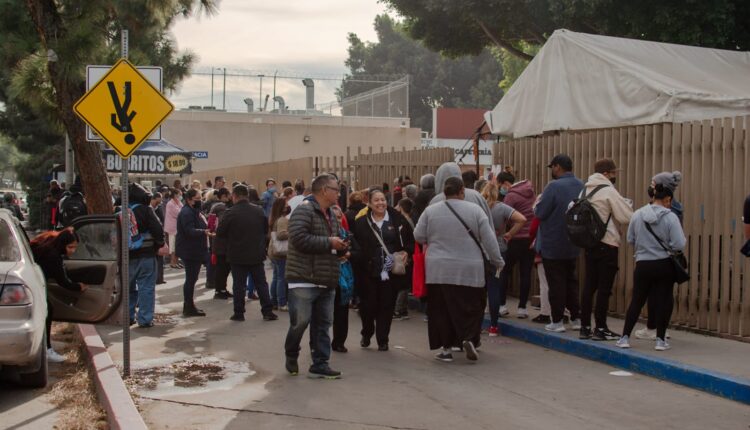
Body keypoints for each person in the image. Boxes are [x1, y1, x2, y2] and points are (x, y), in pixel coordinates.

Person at [414, 177, 504, 362]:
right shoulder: (476, 210)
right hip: (469, 269)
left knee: (441, 310)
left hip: (438, 270)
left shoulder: (431, 211)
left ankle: (446, 349)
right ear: (462, 190)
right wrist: (498, 261)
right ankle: (468, 338)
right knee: (470, 306)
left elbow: (419, 235)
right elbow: (489, 239)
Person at [284, 174, 347, 379]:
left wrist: (342, 249)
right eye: (336, 189)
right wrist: (329, 242)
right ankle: (292, 353)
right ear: (323, 191)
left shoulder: (332, 214)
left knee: (323, 325)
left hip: (326, 278)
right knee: (300, 322)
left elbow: (334, 240)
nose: (339, 193)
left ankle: (320, 363)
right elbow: (299, 239)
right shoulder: (304, 210)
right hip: (304, 277)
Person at [617, 177, 686, 351]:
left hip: (643, 264)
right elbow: (679, 243)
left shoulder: (638, 214)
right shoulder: (670, 217)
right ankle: (660, 340)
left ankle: (624, 337)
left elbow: (630, 239)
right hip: (664, 264)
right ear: (667, 199)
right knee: (664, 300)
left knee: (637, 300)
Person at [351, 189, 414, 351]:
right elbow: (356, 245)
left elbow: (409, 241)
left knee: (386, 306)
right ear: (369, 204)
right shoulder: (361, 222)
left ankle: (382, 339)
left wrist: (407, 251)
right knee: (367, 306)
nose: (381, 203)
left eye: (383, 200)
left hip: (390, 273)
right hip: (368, 272)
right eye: (377, 200)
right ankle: (367, 332)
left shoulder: (398, 221)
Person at [579, 159, 634, 341]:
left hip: (590, 244)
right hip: (607, 243)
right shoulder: (608, 190)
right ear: (606, 174)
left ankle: (585, 327)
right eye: (613, 173)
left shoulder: (584, 190)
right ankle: (601, 328)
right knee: (604, 288)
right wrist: (628, 205)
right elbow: (625, 216)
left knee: (589, 286)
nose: (615, 176)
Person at [534, 154, 584, 333]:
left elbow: (540, 212)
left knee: (556, 282)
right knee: (571, 280)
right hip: (574, 241)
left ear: (557, 167)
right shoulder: (581, 185)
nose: (552, 171)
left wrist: (536, 206)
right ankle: (577, 318)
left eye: (552, 167)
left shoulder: (553, 187)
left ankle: (557, 321)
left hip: (553, 242)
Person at [217, 184, 277, 321]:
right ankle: (267, 311)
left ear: (234, 196)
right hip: (256, 253)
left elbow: (220, 232)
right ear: (247, 195)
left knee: (239, 284)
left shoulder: (230, 212)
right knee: (261, 283)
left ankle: (239, 313)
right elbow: (264, 229)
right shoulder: (259, 211)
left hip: (237, 254)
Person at [636, 171, 683, 341]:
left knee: (653, 295)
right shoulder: (676, 208)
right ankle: (660, 329)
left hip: (655, 258)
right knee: (664, 294)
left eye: (653, 183)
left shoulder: (664, 210)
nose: (650, 186)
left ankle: (654, 327)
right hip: (669, 258)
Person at [30, 228, 89, 362]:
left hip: (33, 282)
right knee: (47, 311)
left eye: (75, 247)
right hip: (34, 284)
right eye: (70, 247)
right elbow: (63, 282)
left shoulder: (49, 242)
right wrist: (79, 286)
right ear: (62, 244)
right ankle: (46, 350)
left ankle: (44, 347)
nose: (72, 250)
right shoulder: (54, 256)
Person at [482, 182, 526, 336]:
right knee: (494, 287)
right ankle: (494, 326)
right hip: (499, 248)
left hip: (480, 250)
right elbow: (522, 219)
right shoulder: (502, 208)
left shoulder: (478, 207)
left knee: (478, 289)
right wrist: (509, 234)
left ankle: (477, 323)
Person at [497, 172, 536, 318]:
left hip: (515, 238)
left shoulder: (511, 196)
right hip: (530, 239)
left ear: (505, 183)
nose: (501, 188)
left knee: (504, 271)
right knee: (525, 273)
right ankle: (522, 308)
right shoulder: (530, 192)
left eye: (500, 185)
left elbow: (505, 217)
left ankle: (501, 305)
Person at [126, 183, 165, 328]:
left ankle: (127, 317)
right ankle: (145, 319)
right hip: (147, 255)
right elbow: (158, 230)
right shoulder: (146, 210)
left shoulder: (122, 210)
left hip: (127, 257)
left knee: (128, 289)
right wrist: (159, 244)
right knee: (146, 288)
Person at [175, 188, 211, 317]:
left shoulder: (193, 211)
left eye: (200, 198)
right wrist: (203, 232)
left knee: (192, 278)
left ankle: (190, 305)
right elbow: (189, 230)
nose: (200, 201)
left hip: (195, 249)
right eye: (197, 199)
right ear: (189, 200)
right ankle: (188, 306)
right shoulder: (187, 213)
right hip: (190, 250)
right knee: (191, 279)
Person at [331, 205, 353, 352]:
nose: (337, 220)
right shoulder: (323, 234)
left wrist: (349, 254)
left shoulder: (346, 233)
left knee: (342, 310)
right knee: (323, 313)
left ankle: (339, 341)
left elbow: (357, 250)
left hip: (344, 276)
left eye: (339, 217)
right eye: (334, 217)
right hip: (327, 275)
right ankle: (318, 343)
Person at [393, 198, 415, 320]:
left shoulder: (403, 222)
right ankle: (402, 309)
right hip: (406, 255)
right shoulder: (409, 221)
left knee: (402, 284)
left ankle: (398, 310)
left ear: (401, 208)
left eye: (397, 205)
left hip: (403, 256)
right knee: (404, 283)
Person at [268, 198, 290, 311]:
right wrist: (293, 231)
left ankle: (274, 301)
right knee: (281, 278)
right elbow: (281, 235)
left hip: (274, 252)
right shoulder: (282, 220)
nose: (288, 206)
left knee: (276, 277)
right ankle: (282, 302)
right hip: (281, 253)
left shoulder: (275, 219)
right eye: (286, 204)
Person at [209, 201, 233, 299]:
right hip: (222, 247)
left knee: (223, 270)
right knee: (222, 270)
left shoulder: (214, 218)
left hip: (220, 246)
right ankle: (219, 291)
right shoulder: (221, 217)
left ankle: (222, 289)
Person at [150, 192, 166, 285]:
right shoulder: (149, 209)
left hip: (158, 237)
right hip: (155, 238)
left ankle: (159, 278)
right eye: (157, 202)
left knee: (160, 259)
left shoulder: (157, 208)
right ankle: (157, 278)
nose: (158, 204)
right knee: (157, 259)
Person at [164, 188, 183, 269]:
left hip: (177, 227)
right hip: (172, 228)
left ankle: (176, 261)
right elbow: (179, 213)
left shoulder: (178, 202)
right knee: (173, 246)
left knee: (177, 245)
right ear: (175, 195)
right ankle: (172, 262)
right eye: (180, 194)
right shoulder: (170, 203)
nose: (181, 196)